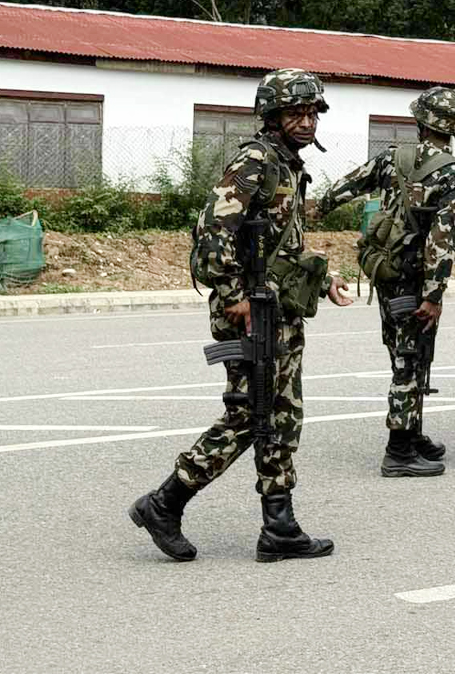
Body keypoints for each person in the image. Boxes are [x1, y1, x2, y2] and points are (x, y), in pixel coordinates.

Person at [129, 68, 352, 563]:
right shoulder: (255, 161)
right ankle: (164, 503)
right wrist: (234, 293)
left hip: (279, 309)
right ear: (271, 116)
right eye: (296, 111)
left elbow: (283, 244)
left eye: (312, 111)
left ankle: (280, 528)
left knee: (281, 416)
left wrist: (325, 277)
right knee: (250, 415)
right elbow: (211, 231)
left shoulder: (288, 164)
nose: (307, 121)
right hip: (250, 312)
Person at [316, 86, 455, 478]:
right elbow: (443, 240)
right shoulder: (454, 174)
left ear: (420, 122)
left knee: (408, 353)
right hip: (416, 282)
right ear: (453, 128)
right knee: (409, 359)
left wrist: (320, 207)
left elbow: (350, 184)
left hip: (385, 273)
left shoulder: (392, 158)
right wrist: (434, 294)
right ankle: (399, 451)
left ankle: (413, 430)